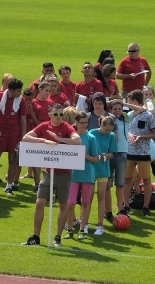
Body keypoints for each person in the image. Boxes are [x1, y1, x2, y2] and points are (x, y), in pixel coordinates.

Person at [21, 103, 81, 247]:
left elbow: (77, 140)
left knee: (62, 204)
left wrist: (59, 140)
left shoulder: (67, 127)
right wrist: (44, 140)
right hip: (48, 172)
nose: (58, 117)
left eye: (61, 114)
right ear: (50, 115)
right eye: (56, 114)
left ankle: (57, 237)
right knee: (40, 202)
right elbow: (26, 138)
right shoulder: (44, 126)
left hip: (64, 172)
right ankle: (35, 236)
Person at [124, 90, 155, 217]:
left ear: (134, 101)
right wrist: (129, 134)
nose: (127, 104)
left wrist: (141, 136)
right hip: (129, 152)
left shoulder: (149, 116)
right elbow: (124, 130)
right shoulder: (129, 115)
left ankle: (145, 207)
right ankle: (126, 205)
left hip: (143, 153)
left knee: (147, 180)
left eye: (129, 101)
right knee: (127, 180)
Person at [66, 112, 100, 240]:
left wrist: (84, 155)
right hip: (73, 173)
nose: (84, 125)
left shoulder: (91, 138)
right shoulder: (71, 137)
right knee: (70, 203)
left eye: (86, 122)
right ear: (76, 122)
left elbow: (95, 159)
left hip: (87, 173)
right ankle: (69, 229)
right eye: (82, 122)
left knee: (85, 203)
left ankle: (81, 230)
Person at [0, 79, 27, 195]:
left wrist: (23, 136)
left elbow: (23, 119)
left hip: (14, 134)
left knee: (12, 160)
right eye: (18, 91)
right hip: (1, 133)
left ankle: (9, 185)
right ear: (11, 90)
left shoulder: (21, 101)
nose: (20, 93)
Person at [89, 114, 117, 235]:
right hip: (90, 169)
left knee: (101, 196)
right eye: (106, 130)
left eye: (110, 130)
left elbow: (112, 153)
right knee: (87, 198)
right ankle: (84, 224)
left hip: (104, 169)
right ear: (101, 124)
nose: (108, 133)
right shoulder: (91, 133)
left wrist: (104, 156)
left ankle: (100, 225)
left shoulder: (111, 135)